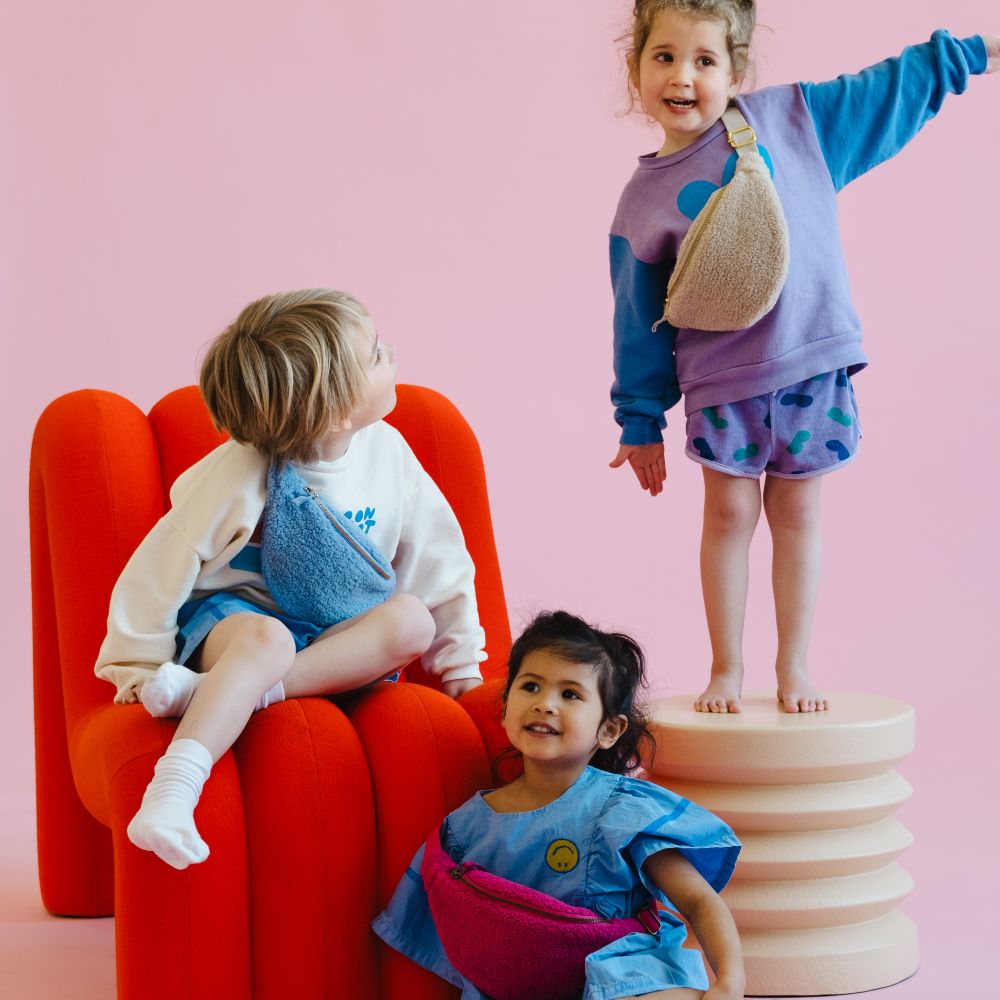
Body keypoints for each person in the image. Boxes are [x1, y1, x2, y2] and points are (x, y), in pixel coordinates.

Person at [608, 1, 1000, 715]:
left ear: (736, 69)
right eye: (663, 56)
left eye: (704, 60)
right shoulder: (641, 202)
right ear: (634, 63)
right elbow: (638, 320)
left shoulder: (791, 124)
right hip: (721, 382)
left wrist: (973, 51)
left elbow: (886, 89)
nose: (683, 77)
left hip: (812, 367)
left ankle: (795, 668)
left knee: (798, 516)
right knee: (727, 515)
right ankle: (726, 668)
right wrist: (639, 419)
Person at [94, 288, 486, 869]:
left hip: (335, 642)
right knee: (266, 640)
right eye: (377, 355)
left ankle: (219, 695)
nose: (393, 353)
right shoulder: (241, 471)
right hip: (235, 628)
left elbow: (440, 561)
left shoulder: (389, 454)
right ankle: (173, 789)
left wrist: (463, 672)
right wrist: (138, 664)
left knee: (410, 620)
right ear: (335, 411)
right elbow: (161, 565)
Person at [374, 611, 744, 1000]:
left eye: (570, 694)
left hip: (627, 980)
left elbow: (699, 901)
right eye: (531, 687)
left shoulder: (622, 811)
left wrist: (729, 984)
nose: (545, 705)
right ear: (505, 705)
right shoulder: (465, 830)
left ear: (608, 730)